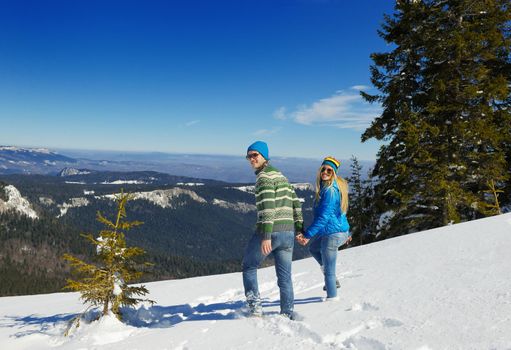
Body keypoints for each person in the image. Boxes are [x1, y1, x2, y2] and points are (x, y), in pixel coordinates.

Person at [242, 141, 303, 319]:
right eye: (249, 156)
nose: (252, 159)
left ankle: (255, 309)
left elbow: (268, 207)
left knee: (249, 266)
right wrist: (299, 229)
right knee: (285, 277)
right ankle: (287, 312)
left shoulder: (264, 178)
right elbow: (296, 204)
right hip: (288, 233)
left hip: (271, 232)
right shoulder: (282, 176)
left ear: (264, 156)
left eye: (255, 155)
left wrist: (267, 235)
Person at [296, 156, 351, 301]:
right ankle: (331, 278)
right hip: (334, 231)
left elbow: (323, 218)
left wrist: (307, 235)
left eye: (329, 170)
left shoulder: (330, 192)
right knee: (314, 248)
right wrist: (347, 232)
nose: (325, 172)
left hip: (333, 235)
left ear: (334, 173)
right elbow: (340, 214)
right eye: (324, 169)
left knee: (329, 270)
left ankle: (332, 298)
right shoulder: (327, 188)